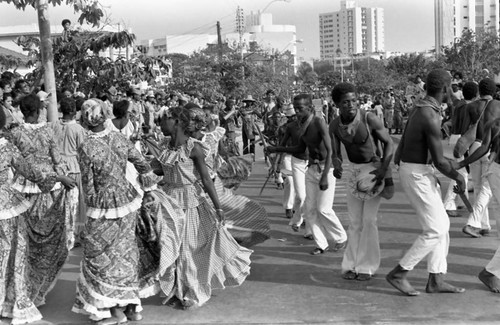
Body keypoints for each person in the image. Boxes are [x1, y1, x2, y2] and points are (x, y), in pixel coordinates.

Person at [72, 99, 161, 324]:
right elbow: (143, 164)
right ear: (105, 115)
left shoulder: (86, 147)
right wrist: (149, 189)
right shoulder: (120, 139)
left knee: (101, 256)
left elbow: (88, 185)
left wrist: (86, 217)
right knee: (127, 254)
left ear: (84, 119)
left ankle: (113, 311)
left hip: (102, 207)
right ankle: (132, 308)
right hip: (128, 201)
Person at [156, 106, 252, 309]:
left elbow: (207, 180)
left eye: (165, 119)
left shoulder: (194, 148)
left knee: (188, 249)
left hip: (190, 203)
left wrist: (218, 208)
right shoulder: (165, 146)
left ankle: (191, 291)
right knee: (172, 248)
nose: (161, 123)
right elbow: (158, 169)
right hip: (168, 202)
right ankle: (177, 288)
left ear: (177, 122)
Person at [386, 69, 466, 296]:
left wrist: (448, 168)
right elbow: (440, 162)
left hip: (417, 170)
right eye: (451, 87)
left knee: (442, 228)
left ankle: (436, 279)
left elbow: (411, 149)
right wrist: (457, 176)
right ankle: (399, 273)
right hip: (416, 174)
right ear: (445, 89)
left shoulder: (421, 107)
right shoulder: (430, 115)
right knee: (437, 228)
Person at [10, 94, 77, 306]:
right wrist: (63, 178)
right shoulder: (48, 130)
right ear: (39, 110)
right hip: (49, 189)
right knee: (50, 242)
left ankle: (26, 287)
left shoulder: (15, 133)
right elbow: (58, 160)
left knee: (24, 243)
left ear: (21, 110)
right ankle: (38, 290)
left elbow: (13, 165)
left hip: (22, 191)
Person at [267, 94, 347, 255]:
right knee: (309, 209)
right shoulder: (300, 125)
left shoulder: (318, 122)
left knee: (323, 209)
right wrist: (276, 149)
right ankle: (321, 244)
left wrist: (325, 175)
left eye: (300, 109)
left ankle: (340, 238)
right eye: (295, 109)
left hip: (326, 168)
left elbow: (331, 150)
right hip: (311, 168)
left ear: (310, 108)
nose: (297, 112)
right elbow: (299, 149)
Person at [330, 82, 394, 281]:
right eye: (346, 102)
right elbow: (334, 153)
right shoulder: (334, 125)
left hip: (374, 170)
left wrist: (384, 169)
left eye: (354, 100)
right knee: (355, 222)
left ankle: (367, 266)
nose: (351, 105)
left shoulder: (369, 118)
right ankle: (350, 265)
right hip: (354, 171)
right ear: (337, 105)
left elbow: (389, 143)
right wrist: (337, 164)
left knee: (369, 221)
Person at [184, 103, 270, 247]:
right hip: (192, 188)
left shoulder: (212, 136)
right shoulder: (182, 140)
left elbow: (219, 154)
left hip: (209, 183)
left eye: (205, 116)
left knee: (226, 213)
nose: (202, 120)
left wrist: (231, 162)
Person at [0, 107, 45, 324]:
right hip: (6, 204)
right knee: (13, 251)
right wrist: (53, 179)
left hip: (7, 204)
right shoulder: (7, 149)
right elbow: (30, 171)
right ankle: (11, 300)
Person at [455, 115, 500, 292]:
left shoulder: (494, 121)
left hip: (494, 171)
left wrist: (463, 163)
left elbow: (484, 147)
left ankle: (492, 272)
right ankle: (490, 272)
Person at [461, 78, 500, 238]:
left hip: (475, 147)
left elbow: (465, 132)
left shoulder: (471, 106)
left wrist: (464, 159)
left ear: (479, 91)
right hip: (490, 148)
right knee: (486, 189)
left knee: (478, 187)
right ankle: (474, 222)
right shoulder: (498, 105)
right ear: (494, 91)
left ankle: (484, 225)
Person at [50, 97, 86, 247]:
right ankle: (71, 238)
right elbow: (83, 150)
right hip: (73, 167)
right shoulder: (78, 129)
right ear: (74, 111)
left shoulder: (53, 125)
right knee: (74, 204)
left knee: (58, 203)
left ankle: (60, 236)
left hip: (57, 167)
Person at [442, 81, 478, 217]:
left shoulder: (459, 104)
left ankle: (461, 201)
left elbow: (451, 96)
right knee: (461, 173)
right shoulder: (472, 107)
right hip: (463, 140)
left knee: (463, 172)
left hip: (454, 138)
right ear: (476, 94)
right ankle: (448, 204)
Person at [278, 104, 312, 238]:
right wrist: (276, 166)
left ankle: (305, 223)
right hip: (290, 158)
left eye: (295, 115)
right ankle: (289, 207)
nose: (294, 117)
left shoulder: (310, 126)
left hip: (308, 161)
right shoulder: (285, 128)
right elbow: (282, 146)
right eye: (291, 116)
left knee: (307, 195)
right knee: (292, 185)